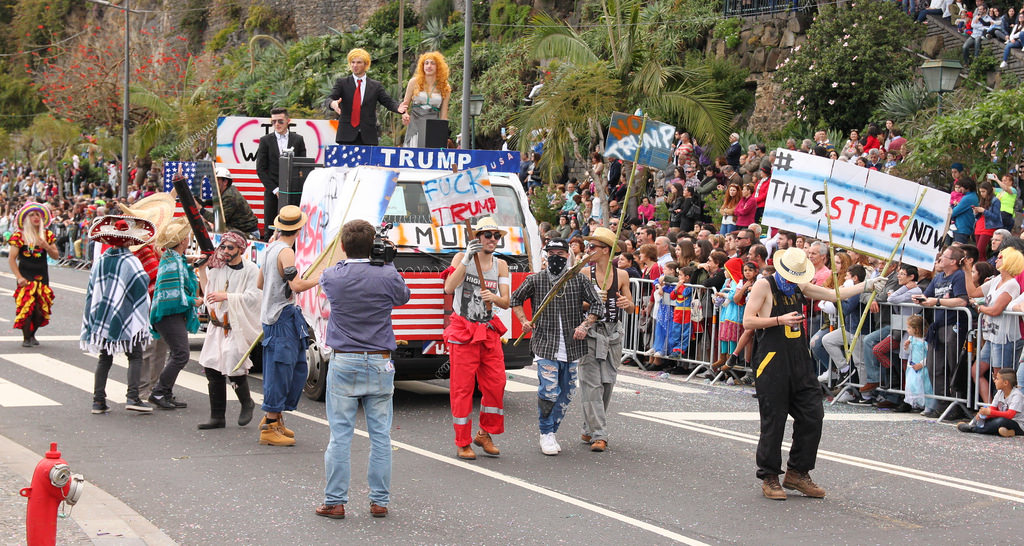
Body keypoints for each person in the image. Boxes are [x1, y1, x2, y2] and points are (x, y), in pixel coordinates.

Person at [743, 247, 883, 500]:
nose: (797, 281)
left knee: (812, 415)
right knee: (773, 422)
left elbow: (833, 294)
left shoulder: (799, 286)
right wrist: (779, 320)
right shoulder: (764, 286)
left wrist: (867, 286)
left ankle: (798, 472)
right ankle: (769, 476)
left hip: (799, 360)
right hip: (772, 361)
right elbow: (748, 321)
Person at [316, 220, 411, 520]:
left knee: (340, 435)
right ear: (374, 245)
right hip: (380, 359)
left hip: (345, 359)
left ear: (343, 246)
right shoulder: (387, 274)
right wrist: (386, 263)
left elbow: (330, 270)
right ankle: (379, 500)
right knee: (380, 436)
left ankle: (335, 501)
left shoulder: (333, 276)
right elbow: (403, 297)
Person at [511, 239, 604, 455]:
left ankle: (552, 430)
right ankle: (546, 433)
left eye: (560, 253)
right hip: (545, 344)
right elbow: (515, 298)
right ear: (545, 255)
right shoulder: (536, 280)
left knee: (567, 392)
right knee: (549, 390)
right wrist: (524, 320)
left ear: (568, 255)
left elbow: (597, 304)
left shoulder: (578, 280)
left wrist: (585, 324)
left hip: (571, 346)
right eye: (551, 252)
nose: (555, 257)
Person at [442, 217, 511, 460]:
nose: (493, 239)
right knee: (462, 388)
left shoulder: (500, 265)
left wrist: (493, 297)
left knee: (497, 383)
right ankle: (462, 441)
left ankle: (484, 433)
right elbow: (449, 287)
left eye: (496, 236)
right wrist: (466, 259)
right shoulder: (461, 258)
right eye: (488, 235)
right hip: (463, 332)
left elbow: (506, 301)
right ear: (477, 237)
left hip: (488, 331)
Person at [258, 206, 322, 446]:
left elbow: (259, 283)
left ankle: (274, 419)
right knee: (281, 371)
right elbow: (295, 286)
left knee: (294, 369)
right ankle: (269, 426)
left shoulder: (270, 248)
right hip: (280, 318)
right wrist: (319, 278)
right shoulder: (286, 252)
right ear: (299, 227)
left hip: (278, 315)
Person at [84, 215, 158, 414]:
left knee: (104, 356)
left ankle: (98, 401)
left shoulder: (100, 261)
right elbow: (142, 282)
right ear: (127, 240)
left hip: (104, 314)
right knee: (134, 355)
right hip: (126, 314)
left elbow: (94, 289)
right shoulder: (130, 261)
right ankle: (132, 397)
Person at [194, 231, 261, 430]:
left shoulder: (250, 270)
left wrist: (228, 296)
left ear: (241, 249)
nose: (224, 251)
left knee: (233, 362)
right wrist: (204, 271)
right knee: (212, 368)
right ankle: (217, 417)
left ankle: (246, 401)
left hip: (236, 327)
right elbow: (208, 294)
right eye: (222, 246)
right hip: (217, 326)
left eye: (230, 247)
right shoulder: (217, 267)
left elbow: (254, 297)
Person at [579, 227, 634, 452]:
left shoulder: (622, 275)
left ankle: (589, 427)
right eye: (588, 246)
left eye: (593, 247)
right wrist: (591, 301)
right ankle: (600, 434)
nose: (588, 250)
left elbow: (631, 307)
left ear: (606, 251)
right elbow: (575, 305)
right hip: (590, 331)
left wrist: (625, 303)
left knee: (607, 383)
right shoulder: (584, 274)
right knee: (591, 385)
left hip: (612, 334)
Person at [147, 218, 200, 411]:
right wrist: (195, 301)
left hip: (169, 313)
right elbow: (175, 294)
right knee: (181, 354)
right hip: (169, 313)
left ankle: (165, 392)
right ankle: (159, 391)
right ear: (184, 241)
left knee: (177, 353)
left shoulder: (172, 257)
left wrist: (191, 262)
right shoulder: (174, 261)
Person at [969, 248, 1023, 404]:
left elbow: (995, 310)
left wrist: (980, 308)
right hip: (992, 335)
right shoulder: (996, 280)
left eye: (1000, 257)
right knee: (976, 371)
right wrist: (967, 271)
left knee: (1001, 377)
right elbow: (973, 292)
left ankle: (1000, 408)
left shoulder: (1012, 284)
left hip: (1004, 337)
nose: (997, 259)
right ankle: (990, 405)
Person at [326, 48, 406, 146]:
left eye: (359, 62)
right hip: (346, 135)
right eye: (352, 62)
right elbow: (329, 98)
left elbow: (387, 101)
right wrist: (332, 104)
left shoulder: (376, 85)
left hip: (368, 136)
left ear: (366, 64)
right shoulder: (342, 83)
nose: (355, 65)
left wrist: (398, 108)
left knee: (367, 162)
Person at [8, 202, 59, 347]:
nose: (36, 217)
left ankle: (32, 334)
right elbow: (12, 259)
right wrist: (19, 277)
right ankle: (26, 338)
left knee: (41, 310)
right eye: (32, 215)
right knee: (27, 307)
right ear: (26, 219)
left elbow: (56, 256)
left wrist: (46, 246)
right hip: (25, 276)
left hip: (42, 276)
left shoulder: (47, 235)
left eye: (38, 215)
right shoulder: (19, 236)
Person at [256, 107, 307, 237]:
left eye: (280, 121)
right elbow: (261, 169)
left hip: (293, 192)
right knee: (271, 228)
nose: (277, 125)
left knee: (293, 227)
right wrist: (275, 189)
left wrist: (295, 188)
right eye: (273, 122)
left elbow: (302, 166)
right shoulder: (265, 140)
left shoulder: (298, 139)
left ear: (288, 121)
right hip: (273, 193)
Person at [399, 51, 451, 148]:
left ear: (438, 67)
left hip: (433, 126)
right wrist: (404, 114)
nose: (429, 66)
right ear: (422, 66)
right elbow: (404, 105)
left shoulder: (445, 87)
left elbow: (444, 115)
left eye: (432, 63)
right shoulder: (413, 82)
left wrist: (443, 136)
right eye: (426, 63)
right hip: (415, 124)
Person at [957, 369, 1024, 437]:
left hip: (1017, 424)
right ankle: (1009, 432)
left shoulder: (1017, 395)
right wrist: (983, 415)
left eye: (997, 379)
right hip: (1004, 421)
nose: (994, 381)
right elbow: (992, 408)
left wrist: (990, 413)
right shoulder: (1000, 392)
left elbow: (1010, 415)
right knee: (989, 419)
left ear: (1006, 383)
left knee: (1000, 421)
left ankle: (973, 429)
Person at [202, 167, 259, 238]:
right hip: (240, 230)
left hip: (249, 234)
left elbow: (218, 221)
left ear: (225, 182)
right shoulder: (225, 191)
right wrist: (202, 202)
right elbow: (214, 201)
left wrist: (201, 210)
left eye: (216, 180)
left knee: (220, 229)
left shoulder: (230, 196)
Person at [903, 315, 933, 411]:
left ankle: (928, 406)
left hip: (923, 367)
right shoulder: (911, 338)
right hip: (913, 366)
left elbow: (929, 355)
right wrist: (907, 346)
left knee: (925, 387)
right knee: (913, 385)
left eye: (909, 328)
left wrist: (921, 364)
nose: (907, 330)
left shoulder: (925, 342)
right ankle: (918, 403)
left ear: (916, 329)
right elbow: (909, 352)